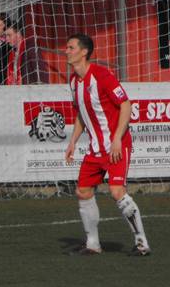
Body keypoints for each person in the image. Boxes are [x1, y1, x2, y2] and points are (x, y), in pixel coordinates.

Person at [64, 34, 151, 256]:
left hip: (116, 145)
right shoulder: (74, 81)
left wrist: (116, 139)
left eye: (71, 47)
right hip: (95, 148)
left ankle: (142, 243)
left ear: (84, 52)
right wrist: (73, 141)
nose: (66, 51)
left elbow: (125, 105)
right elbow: (82, 114)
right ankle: (93, 244)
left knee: (116, 191)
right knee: (83, 191)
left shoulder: (102, 75)